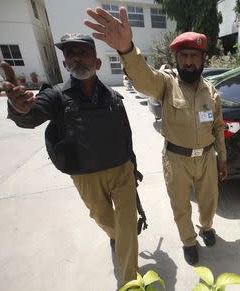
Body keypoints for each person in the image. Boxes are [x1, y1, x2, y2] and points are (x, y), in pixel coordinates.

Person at [85, 7, 228, 265]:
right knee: (180, 205)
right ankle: (188, 241)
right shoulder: (166, 84)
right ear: (177, 59)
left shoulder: (212, 92)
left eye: (195, 56)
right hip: (176, 158)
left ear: (203, 59)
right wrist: (127, 50)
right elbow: (143, 78)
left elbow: (218, 126)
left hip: (207, 157)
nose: (189, 61)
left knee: (210, 201)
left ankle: (206, 227)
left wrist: (223, 158)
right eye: (184, 55)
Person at [2, 33, 140, 283]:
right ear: (65, 64)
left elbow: (125, 135)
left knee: (128, 225)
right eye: (70, 54)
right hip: (85, 175)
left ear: (97, 62)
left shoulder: (113, 96)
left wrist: (134, 167)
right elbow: (32, 116)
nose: (77, 58)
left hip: (121, 171)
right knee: (106, 221)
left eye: (83, 52)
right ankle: (114, 236)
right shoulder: (55, 96)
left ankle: (132, 280)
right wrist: (19, 109)